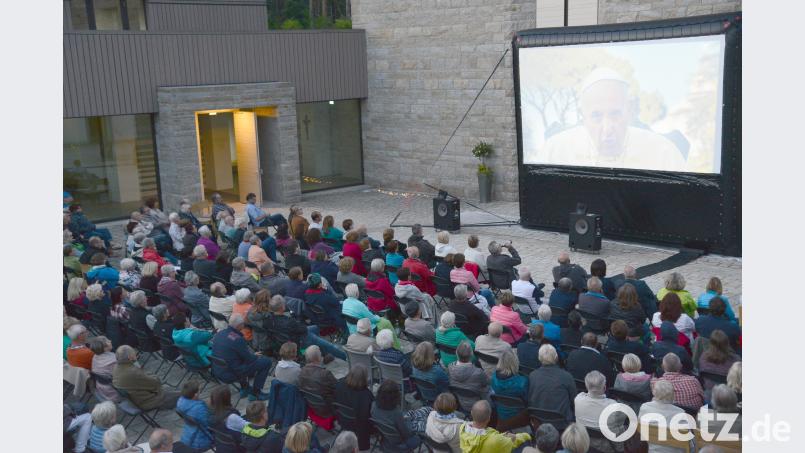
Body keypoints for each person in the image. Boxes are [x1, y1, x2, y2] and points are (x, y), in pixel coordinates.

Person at [533, 67, 686, 171]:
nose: (607, 129)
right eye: (596, 116)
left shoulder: (664, 152)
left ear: (629, 111)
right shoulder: (555, 150)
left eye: (615, 114)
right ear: (583, 116)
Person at [210, 315, 273, 400]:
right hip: (231, 373)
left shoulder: (220, 333)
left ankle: (245, 387)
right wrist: (254, 355)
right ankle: (256, 393)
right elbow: (249, 360)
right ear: (240, 326)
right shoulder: (237, 339)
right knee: (266, 362)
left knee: (237, 360)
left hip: (218, 370)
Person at [112, 345, 181, 410]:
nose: (136, 353)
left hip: (136, 399)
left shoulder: (116, 368)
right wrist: (150, 374)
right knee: (185, 394)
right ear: (130, 357)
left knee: (173, 389)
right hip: (149, 401)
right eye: (134, 352)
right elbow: (155, 383)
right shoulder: (133, 372)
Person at [371, 379, 431, 451]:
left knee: (410, 415)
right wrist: (410, 423)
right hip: (402, 443)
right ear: (395, 396)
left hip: (385, 439)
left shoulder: (374, 405)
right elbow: (407, 434)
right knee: (422, 427)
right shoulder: (396, 412)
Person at [574, 371, 626, 451]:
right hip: (606, 447)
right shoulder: (614, 406)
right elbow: (621, 424)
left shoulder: (578, 399)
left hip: (583, 443)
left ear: (586, 386)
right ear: (604, 388)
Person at [527, 344, 577, 424]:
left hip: (539, 422)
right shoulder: (567, 376)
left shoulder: (532, 376)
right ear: (556, 357)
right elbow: (574, 401)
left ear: (539, 358)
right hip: (562, 424)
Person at [638, 380, 691, 453]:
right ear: (672, 394)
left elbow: (641, 432)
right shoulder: (681, 413)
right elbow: (687, 441)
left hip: (651, 449)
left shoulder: (644, 407)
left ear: (654, 392)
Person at [458, 400, 531, 453]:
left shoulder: (462, 428)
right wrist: (525, 436)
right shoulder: (495, 440)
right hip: (501, 441)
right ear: (489, 418)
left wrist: (502, 436)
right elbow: (509, 444)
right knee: (524, 443)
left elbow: (487, 437)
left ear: (471, 413)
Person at [335, 365, 375, 450]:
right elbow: (367, 417)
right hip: (359, 427)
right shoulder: (366, 395)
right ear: (364, 378)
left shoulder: (340, 383)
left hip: (343, 420)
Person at [491, 351, 529, 428]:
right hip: (519, 418)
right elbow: (527, 401)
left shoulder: (494, 378)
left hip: (501, 416)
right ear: (515, 363)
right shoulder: (522, 382)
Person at [298, 345, 338, 417]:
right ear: (318, 358)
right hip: (329, 409)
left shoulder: (301, 372)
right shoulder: (325, 374)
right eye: (320, 353)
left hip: (315, 406)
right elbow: (338, 388)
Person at [448, 341, 489, 411]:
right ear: (472, 355)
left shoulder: (450, 367)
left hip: (460, 402)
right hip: (478, 406)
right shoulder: (478, 372)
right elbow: (486, 383)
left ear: (456, 354)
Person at [177, 380, 214, 451]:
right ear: (195, 394)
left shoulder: (180, 401)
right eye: (199, 390)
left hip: (187, 436)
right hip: (202, 441)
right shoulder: (199, 408)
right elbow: (210, 423)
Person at [89, 336, 120, 402]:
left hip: (102, 389)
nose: (110, 341)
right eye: (108, 341)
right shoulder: (113, 360)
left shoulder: (95, 356)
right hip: (114, 390)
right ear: (105, 348)